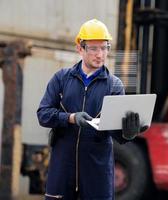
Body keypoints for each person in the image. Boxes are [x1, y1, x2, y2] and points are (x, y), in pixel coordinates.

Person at [37, 19, 147, 200]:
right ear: (80, 48)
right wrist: (70, 118)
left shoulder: (114, 86)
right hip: (63, 168)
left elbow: (118, 134)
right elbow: (43, 114)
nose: (100, 54)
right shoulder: (61, 79)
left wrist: (129, 132)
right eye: (94, 48)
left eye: (104, 48)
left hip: (97, 171)